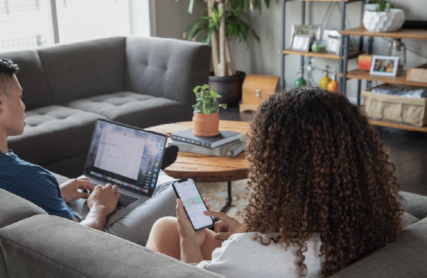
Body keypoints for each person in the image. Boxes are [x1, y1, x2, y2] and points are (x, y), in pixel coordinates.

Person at [147, 87, 404, 277]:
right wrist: (244, 232)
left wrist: (188, 241)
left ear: (274, 172)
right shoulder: (367, 226)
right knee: (167, 228)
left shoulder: (253, 254)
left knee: (171, 231)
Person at [0, 54, 176, 245]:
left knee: (150, 187)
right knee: (174, 188)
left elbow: (14, 201)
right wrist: (100, 208)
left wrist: (57, 192)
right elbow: (84, 244)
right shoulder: (29, 177)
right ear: (0, 101)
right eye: (20, 96)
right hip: (98, 242)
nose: (23, 106)